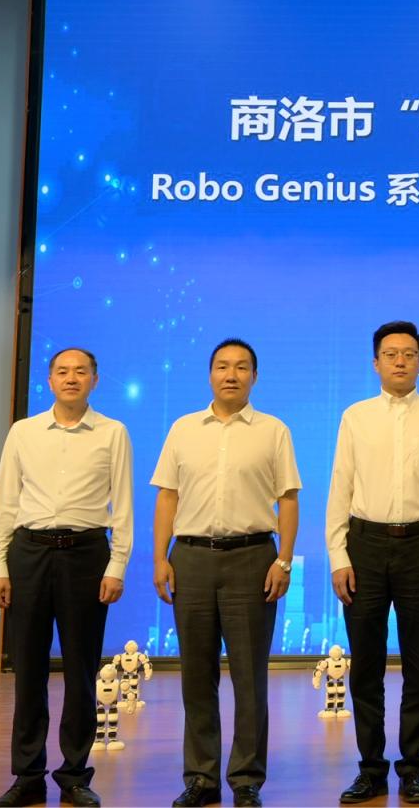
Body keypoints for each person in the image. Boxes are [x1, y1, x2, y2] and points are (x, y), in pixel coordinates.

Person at [152, 338, 301, 808]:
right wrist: (160, 558)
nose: (230, 374)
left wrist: (283, 560)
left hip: (252, 559)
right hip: (191, 558)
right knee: (196, 676)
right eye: (221, 366)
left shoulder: (273, 430)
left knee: (249, 676)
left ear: (255, 376)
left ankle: (246, 779)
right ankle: (201, 777)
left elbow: (288, 499)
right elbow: (168, 496)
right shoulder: (183, 429)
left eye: (240, 367)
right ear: (210, 374)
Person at [0, 348, 133, 808]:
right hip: (28, 553)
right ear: (49, 381)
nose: (72, 378)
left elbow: (123, 506)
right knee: (28, 670)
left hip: (86, 555)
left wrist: (117, 565)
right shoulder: (23, 432)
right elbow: (6, 503)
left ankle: (73, 775)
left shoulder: (112, 433)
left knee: (82, 671)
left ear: (94, 380)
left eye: (81, 371)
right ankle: (28, 775)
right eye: (63, 371)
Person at [325, 321, 419, 805]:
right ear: (376, 363)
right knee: (366, 665)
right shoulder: (356, 416)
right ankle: (370, 768)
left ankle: (411, 768)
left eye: (409, 354)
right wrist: (338, 555)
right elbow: (340, 486)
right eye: (390, 354)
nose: (400, 361)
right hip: (363, 546)